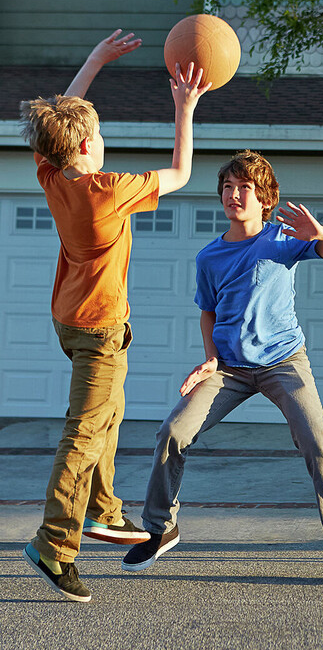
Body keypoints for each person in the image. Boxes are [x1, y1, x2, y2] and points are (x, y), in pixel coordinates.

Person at [19, 30, 211, 602]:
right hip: (100, 328)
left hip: (71, 321)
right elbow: (180, 173)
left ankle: (102, 509)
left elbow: (59, 122)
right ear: (82, 147)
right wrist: (184, 108)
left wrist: (95, 60)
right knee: (84, 433)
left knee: (109, 414)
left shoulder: (53, 175)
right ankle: (53, 545)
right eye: (98, 134)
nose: (104, 139)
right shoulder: (108, 190)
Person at [121, 150, 323, 585]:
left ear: (264, 197)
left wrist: (322, 232)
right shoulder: (209, 257)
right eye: (227, 187)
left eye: (245, 188)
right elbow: (208, 311)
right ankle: (161, 528)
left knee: (318, 444)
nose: (234, 195)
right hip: (229, 370)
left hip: (283, 363)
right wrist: (209, 357)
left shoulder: (283, 239)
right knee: (173, 432)